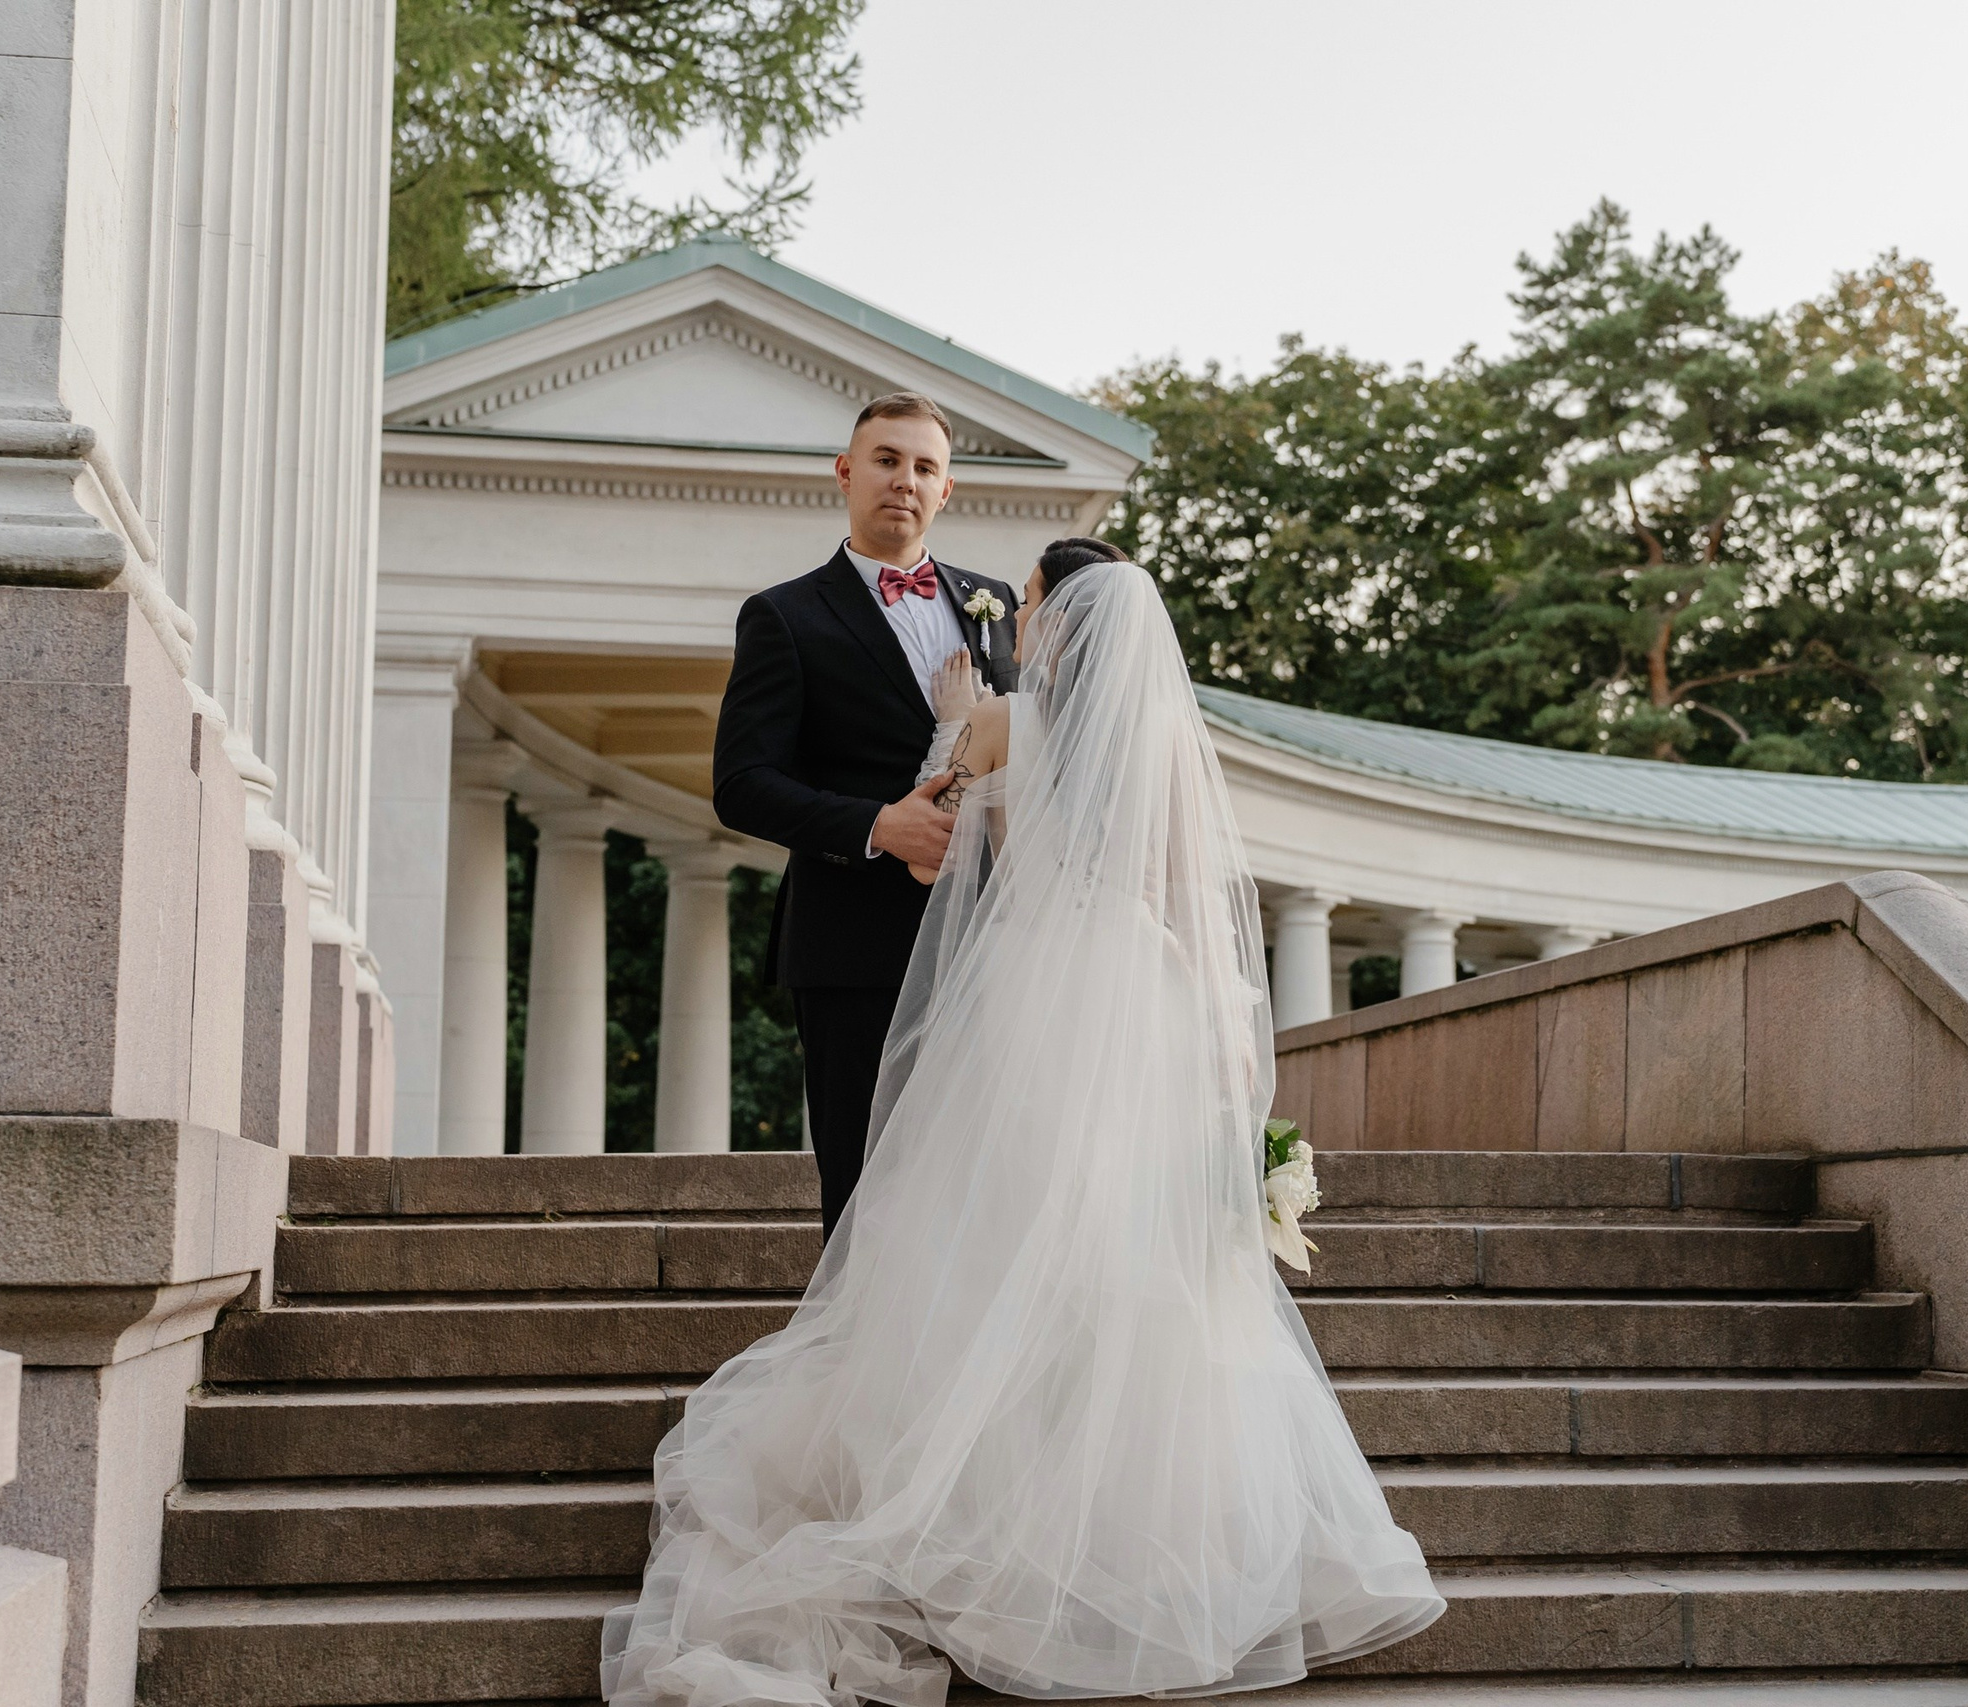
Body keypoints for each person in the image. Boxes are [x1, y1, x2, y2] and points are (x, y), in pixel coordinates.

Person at [602, 542, 1444, 1707]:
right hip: (1146, 1001)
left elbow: (936, 850)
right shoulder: (1163, 750)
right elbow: (1195, 910)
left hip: (1037, 994)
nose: (1021, 614)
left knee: (993, 1240)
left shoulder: (997, 723)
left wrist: (951, 730)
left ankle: (979, 1508)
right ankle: (1133, 1541)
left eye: (1035, 599)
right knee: (1129, 1265)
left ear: (1058, 618)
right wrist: (1223, 1062)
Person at [710, 392, 1019, 1237]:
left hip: (986, 946)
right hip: (851, 948)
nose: (904, 481)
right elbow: (740, 782)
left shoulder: (996, 604)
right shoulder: (785, 615)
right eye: (886, 460)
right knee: (866, 1193)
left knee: (982, 1192)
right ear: (846, 473)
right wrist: (879, 827)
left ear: (946, 491)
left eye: (924, 467)